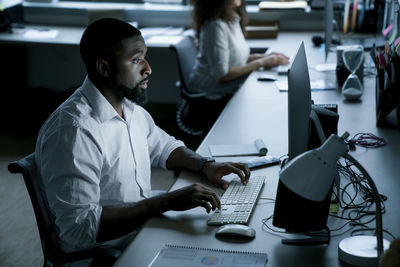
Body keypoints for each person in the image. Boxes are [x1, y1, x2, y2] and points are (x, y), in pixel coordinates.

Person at [34, 17, 250, 256]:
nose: (148, 68)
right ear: (104, 68)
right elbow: (79, 229)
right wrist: (165, 202)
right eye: (136, 60)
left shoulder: (128, 106)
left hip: (140, 227)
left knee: (215, 238)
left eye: (144, 56)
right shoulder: (74, 132)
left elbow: (163, 147)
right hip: (107, 250)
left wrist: (206, 165)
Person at [188, 0, 290, 95]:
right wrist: (261, 62)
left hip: (226, 86)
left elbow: (236, 60)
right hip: (208, 93)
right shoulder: (215, 26)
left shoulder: (232, 18)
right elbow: (222, 75)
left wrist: (266, 57)